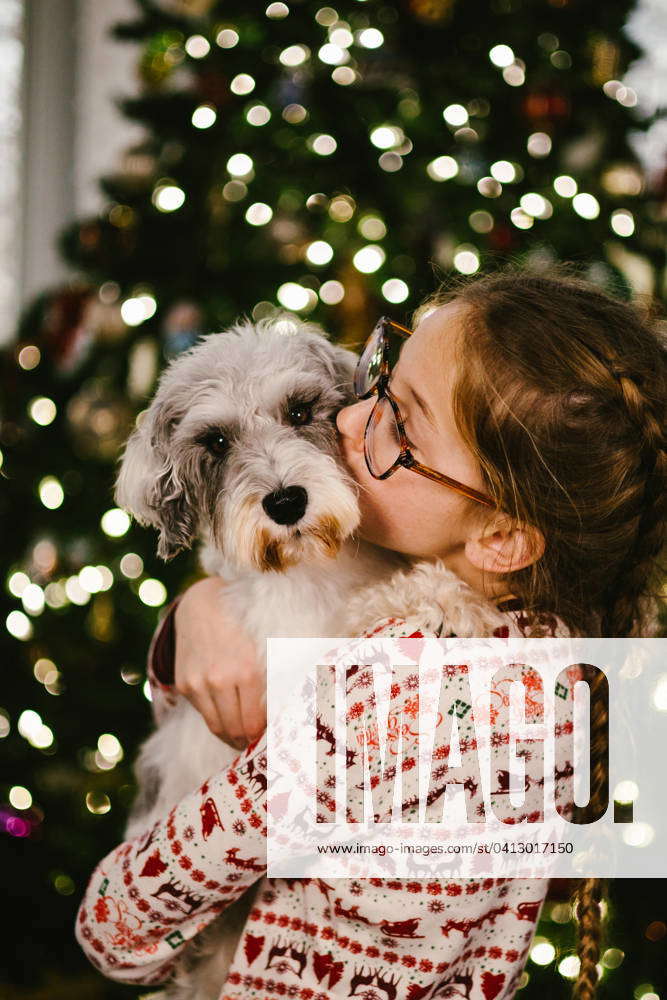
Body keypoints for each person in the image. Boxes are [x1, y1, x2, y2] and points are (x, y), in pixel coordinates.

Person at [75, 267, 666, 1000]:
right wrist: (198, 612)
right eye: (379, 383)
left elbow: (115, 929)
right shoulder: (556, 639)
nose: (350, 420)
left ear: (502, 535)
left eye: (400, 424)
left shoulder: (383, 699)